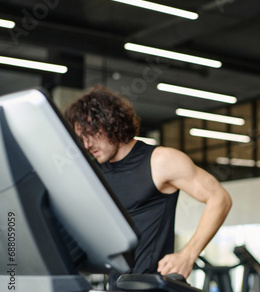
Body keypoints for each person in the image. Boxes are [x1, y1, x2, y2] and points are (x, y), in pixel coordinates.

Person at [64, 85, 232, 281]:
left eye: (91, 133)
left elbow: (220, 198)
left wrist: (188, 254)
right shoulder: (95, 172)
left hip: (154, 291)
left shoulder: (161, 161)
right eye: (82, 137)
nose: (87, 144)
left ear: (112, 122)